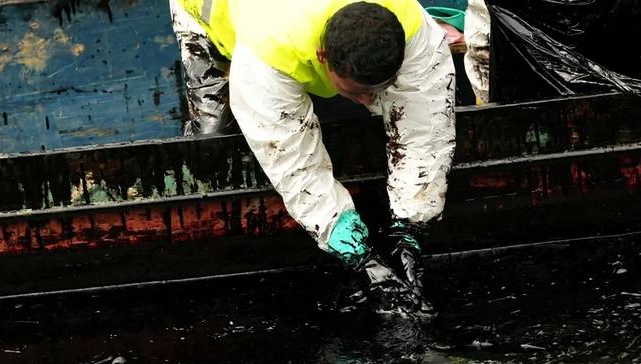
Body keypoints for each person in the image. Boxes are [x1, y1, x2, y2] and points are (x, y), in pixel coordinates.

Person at [170, 0, 456, 313]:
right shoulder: (265, 58)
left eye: (378, 87)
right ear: (323, 56)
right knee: (214, 141)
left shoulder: (410, 23)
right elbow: (296, 169)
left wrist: (410, 226)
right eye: (357, 90)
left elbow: (426, 127)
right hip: (210, 16)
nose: (368, 99)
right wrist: (359, 255)